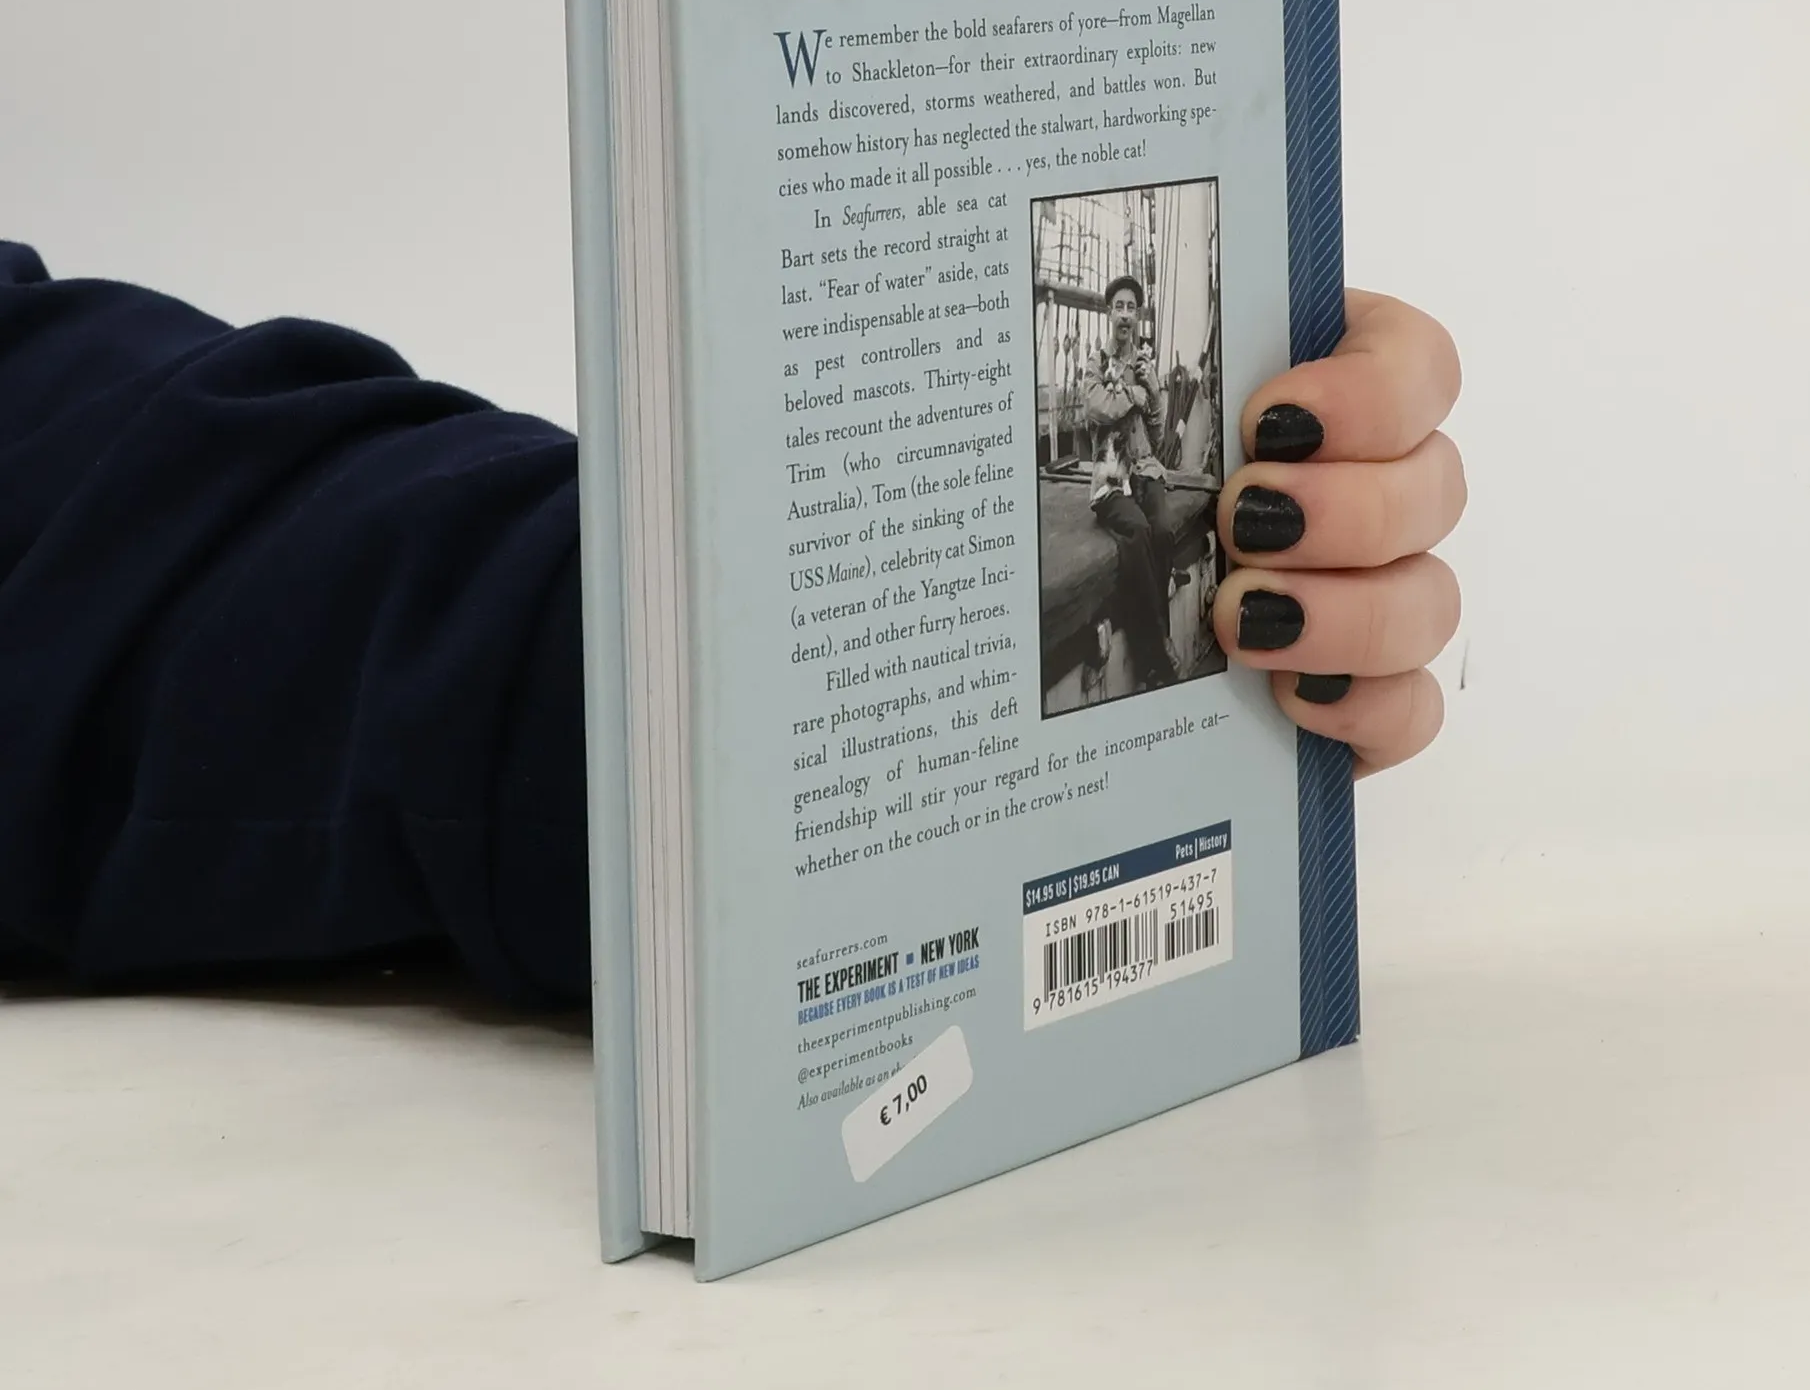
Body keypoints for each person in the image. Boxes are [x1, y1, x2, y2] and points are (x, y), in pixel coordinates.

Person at [0, 245, 1466, 1008]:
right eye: (1126, 315)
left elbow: (116, 507)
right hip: (1083, 492)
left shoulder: (1140, 378)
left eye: (1141, 320)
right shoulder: (1089, 377)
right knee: (1140, 541)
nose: (1135, 330)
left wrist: (664, 633)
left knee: (1174, 543)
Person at [1081, 273, 1180, 689]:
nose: (1125, 315)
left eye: (1131, 308)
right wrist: (1132, 395)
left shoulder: (1144, 366)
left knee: (1163, 531)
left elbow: (1155, 435)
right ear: (1110, 313)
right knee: (1137, 530)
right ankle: (1158, 649)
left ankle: (1156, 650)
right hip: (1111, 476)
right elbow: (1097, 407)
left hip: (1144, 470)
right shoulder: (1095, 362)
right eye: (1118, 307)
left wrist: (1153, 392)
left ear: (1137, 316)